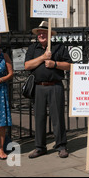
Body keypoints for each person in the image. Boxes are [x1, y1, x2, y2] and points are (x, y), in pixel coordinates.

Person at [25, 21, 72, 158]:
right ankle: (40, 147)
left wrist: (54, 64)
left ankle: (61, 146)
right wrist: (43, 57)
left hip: (55, 86)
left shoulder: (59, 47)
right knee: (39, 117)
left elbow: (69, 65)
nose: (41, 34)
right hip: (39, 87)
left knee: (57, 117)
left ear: (50, 34)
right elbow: (27, 65)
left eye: (44, 32)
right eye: (39, 32)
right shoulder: (33, 48)